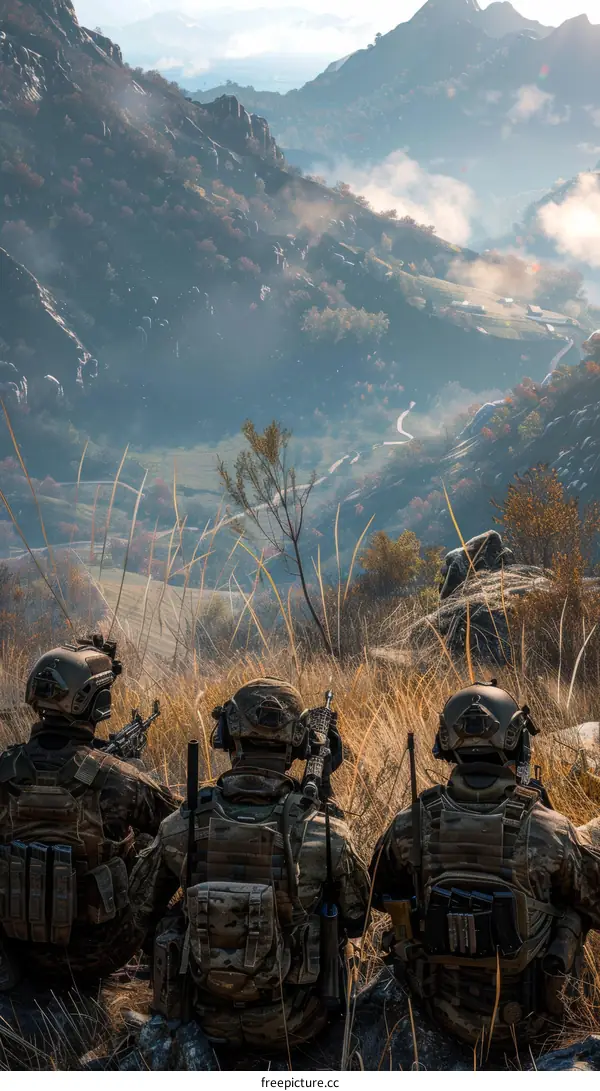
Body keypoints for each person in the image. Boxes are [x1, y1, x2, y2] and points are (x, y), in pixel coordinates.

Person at [129, 677, 370, 1052]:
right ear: (299, 744)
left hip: (200, 1017)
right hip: (297, 1024)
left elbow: (139, 909)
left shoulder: (184, 824)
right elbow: (357, 921)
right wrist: (326, 795)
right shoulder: (327, 833)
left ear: (226, 735)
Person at [370, 680, 600, 1053]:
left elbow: (376, 897)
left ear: (444, 742)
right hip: (531, 1023)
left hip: (439, 1011)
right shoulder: (549, 830)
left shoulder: (409, 823)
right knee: (575, 909)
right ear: (516, 741)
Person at [0, 635, 179, 990]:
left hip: (13, 950)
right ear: (95, 702)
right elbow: (185, 824)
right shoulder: (118, 778)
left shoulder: (5, 768)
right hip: (97, 955)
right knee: (157, 839)